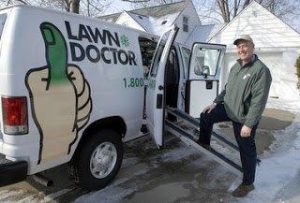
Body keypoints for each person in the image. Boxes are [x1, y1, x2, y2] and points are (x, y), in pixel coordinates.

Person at [197, 34, 272, 197]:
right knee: (205, 115)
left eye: (245, 45)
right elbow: (227, 87)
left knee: (246, 150)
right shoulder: (236, 66)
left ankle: (248, 183)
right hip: (229, 108)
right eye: (239, 47)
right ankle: (204, 143)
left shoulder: (261, 71)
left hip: (244, 117)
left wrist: (249, 124)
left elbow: (258, 102)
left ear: (253, 47)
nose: (241, 49)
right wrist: (216, 102)